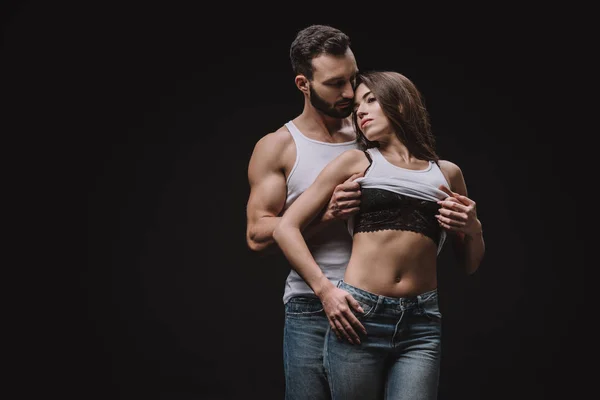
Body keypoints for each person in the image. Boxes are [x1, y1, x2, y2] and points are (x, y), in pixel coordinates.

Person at [273, 70, 486, 400]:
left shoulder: (447, 173)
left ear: (400, 104)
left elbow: (470, 264)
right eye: (358, 106)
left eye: (370, 100)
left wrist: (474, 228)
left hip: (421, 322)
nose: (360, 111)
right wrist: (325, 291)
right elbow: (286, 227)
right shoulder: (357, 162)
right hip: (360, 316)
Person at [245, 25, 368, 400]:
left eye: (353, 79)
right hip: (311, 305)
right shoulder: (279, 147)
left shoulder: (373, 133)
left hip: (374, 302)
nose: (349, 93)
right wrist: (327, 214)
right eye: (335, 84)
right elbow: (257, 235)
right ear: (303, 83)